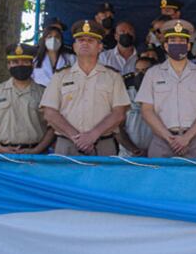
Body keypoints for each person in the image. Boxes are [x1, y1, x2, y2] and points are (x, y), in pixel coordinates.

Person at [39, 20, 130, 155]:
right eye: (80, 40)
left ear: (100, 47)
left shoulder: (113, 77)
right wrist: (77, 138)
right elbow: (50, 113)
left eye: (90, 40)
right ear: (74, 46)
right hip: (67, 144)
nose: (85, 43)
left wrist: (93, 135)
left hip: (103, 144)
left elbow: (119, 113)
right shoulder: (60, 76)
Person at [137, 19, 196, 158]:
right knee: (159, 180)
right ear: (166, 46)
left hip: (194, 141)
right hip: (162, 140)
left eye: (182, 41)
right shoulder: (153, 73)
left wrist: (187, 137)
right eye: (173, 41)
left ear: (188, 46)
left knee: (195, 179)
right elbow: (146, 110)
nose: (177, 44)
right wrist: (168, 137)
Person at [0, 43, 54, 154]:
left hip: (36, 157)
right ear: (8, 65)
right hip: (0, 157)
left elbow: (52, 127)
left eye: (25, 62)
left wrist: (36, 150)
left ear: (32, 65)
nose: (20, 65)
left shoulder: (45, 93)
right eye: (15, 62)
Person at [116, 56, 156, 157]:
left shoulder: (163, 95)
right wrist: (134, 150)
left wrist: (154, 149)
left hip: (155, 155)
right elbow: (117, 128)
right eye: (137, 70)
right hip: (129, 156)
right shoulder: (125, 95)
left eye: (145, 70)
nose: (140, 74)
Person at [32, 21, 75, 86]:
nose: (53, 39)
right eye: (50, 36)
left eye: (57, 36)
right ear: (44, 39)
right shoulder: (35, 59)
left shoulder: (71, 58)